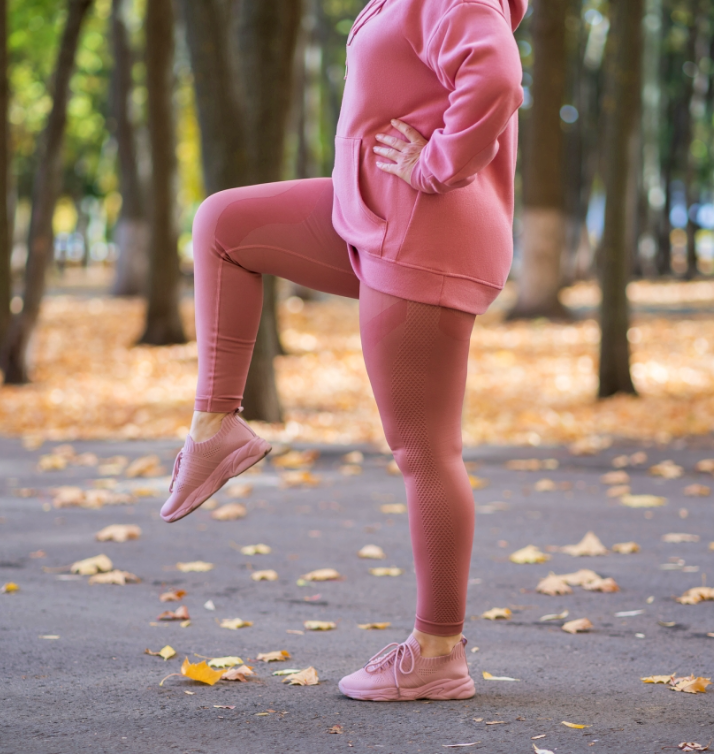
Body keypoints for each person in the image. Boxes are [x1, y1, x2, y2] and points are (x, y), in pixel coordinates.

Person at [162, 0, 526, 702]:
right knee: (223, 223)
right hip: (372, 211)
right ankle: (216, 426)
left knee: (425, 451)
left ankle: (437, 653)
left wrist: (437, 164)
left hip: (425, 230)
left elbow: (496, 79)